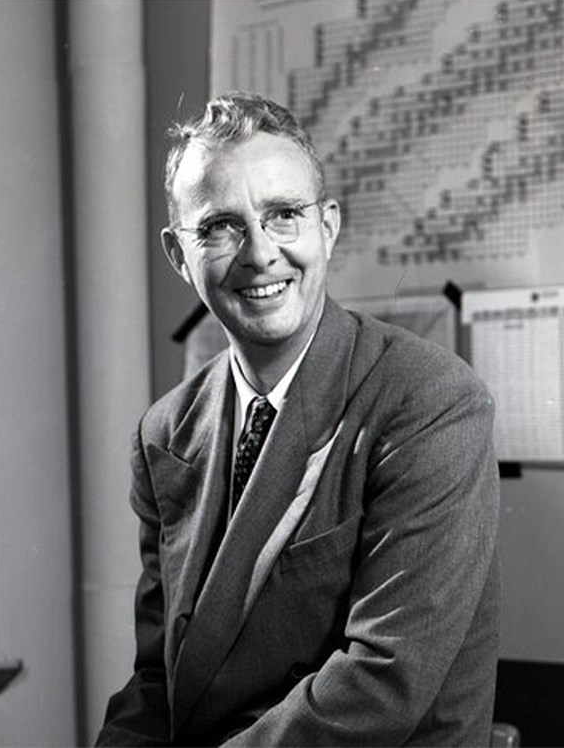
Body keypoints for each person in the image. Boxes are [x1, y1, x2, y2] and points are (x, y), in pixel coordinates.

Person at [96, 91, 500, 747]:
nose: (259, 253)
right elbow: (158, 682)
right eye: (221, 226)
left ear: (328, 227)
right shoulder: (165, 432)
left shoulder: (430, 401)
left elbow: (380, 687)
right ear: (178, 255)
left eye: (284, 214)